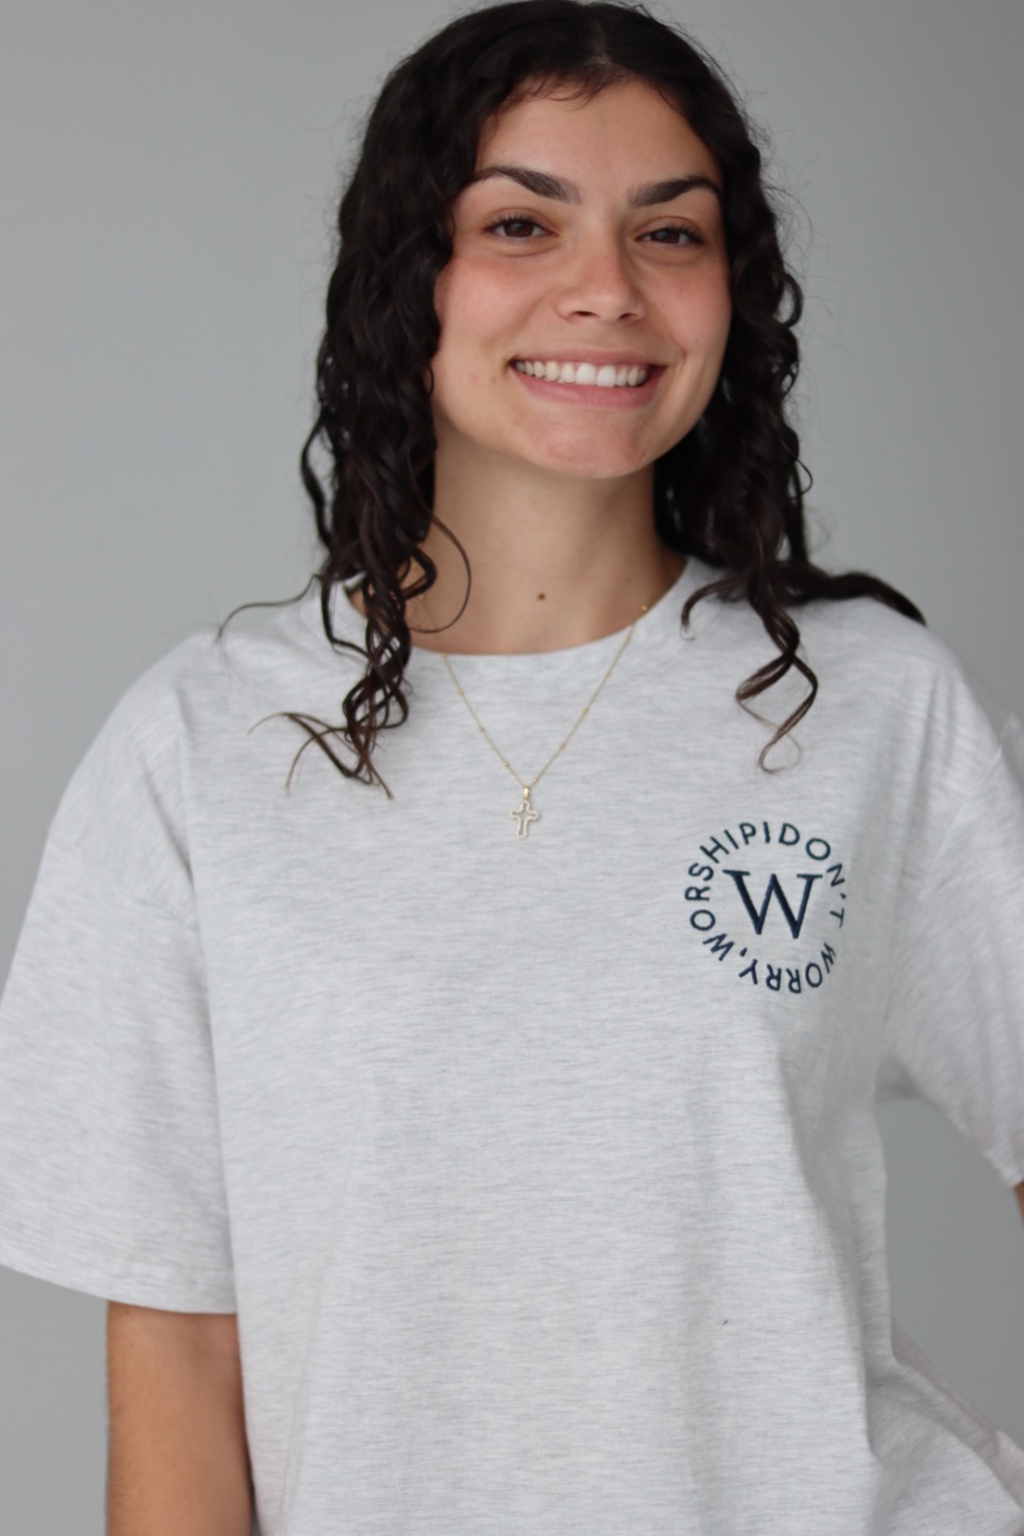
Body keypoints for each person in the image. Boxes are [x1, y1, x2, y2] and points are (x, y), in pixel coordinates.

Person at [0, 2, 1022, 1532]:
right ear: (405, 278)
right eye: (521, 224)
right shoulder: (200, 748)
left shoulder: (870, 709)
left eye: (670, 234)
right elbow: (179, 1355)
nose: (607, 287)